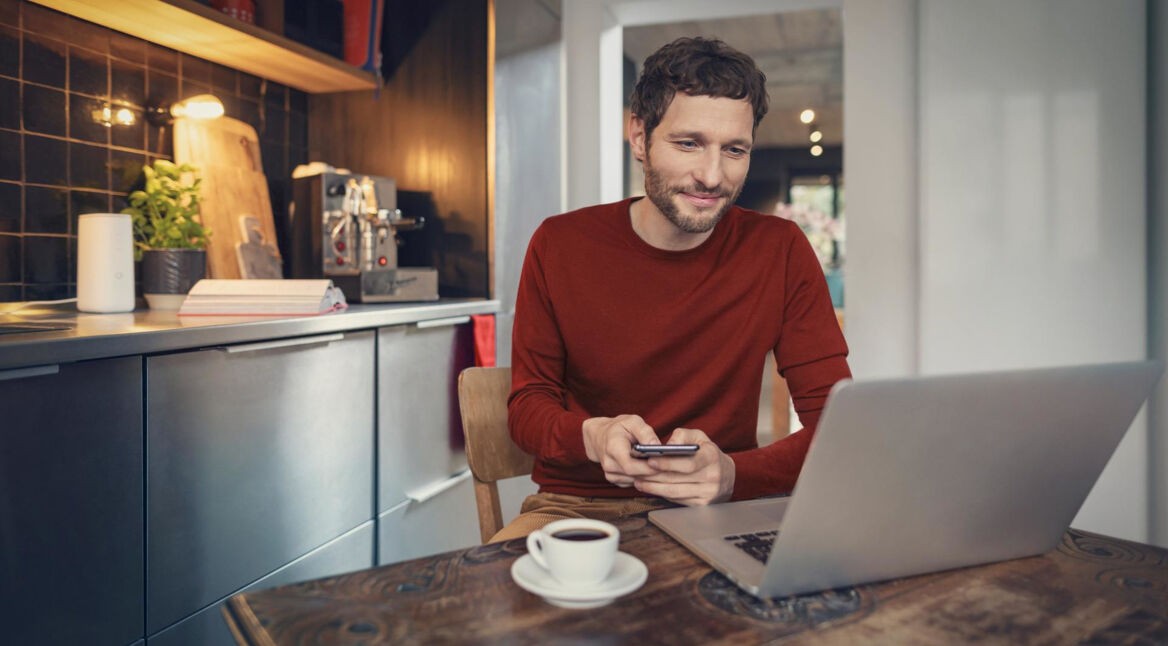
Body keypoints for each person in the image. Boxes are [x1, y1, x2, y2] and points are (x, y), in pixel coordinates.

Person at [492, 37, 851, 542]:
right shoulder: (560, 243)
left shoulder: (781, 249)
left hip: (722, 508)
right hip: (575, 506)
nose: (711, 176)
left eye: (734, 150)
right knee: (504, 615)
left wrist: (732, 475)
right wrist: (592, 436)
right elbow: (527, 408)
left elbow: (839, 427)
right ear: (639, 137)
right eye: (689, 143)